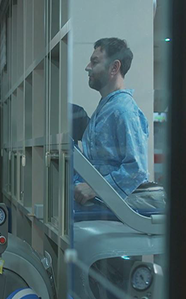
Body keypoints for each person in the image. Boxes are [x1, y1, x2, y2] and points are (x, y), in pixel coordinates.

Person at [73, 38, 149, 206]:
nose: (87, 67)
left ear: (114, 67)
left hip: (118, 216)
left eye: (94, 62)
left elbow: (137, 170)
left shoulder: (123, 110)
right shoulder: (106, 107)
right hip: (102, 209)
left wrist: (96, 188)